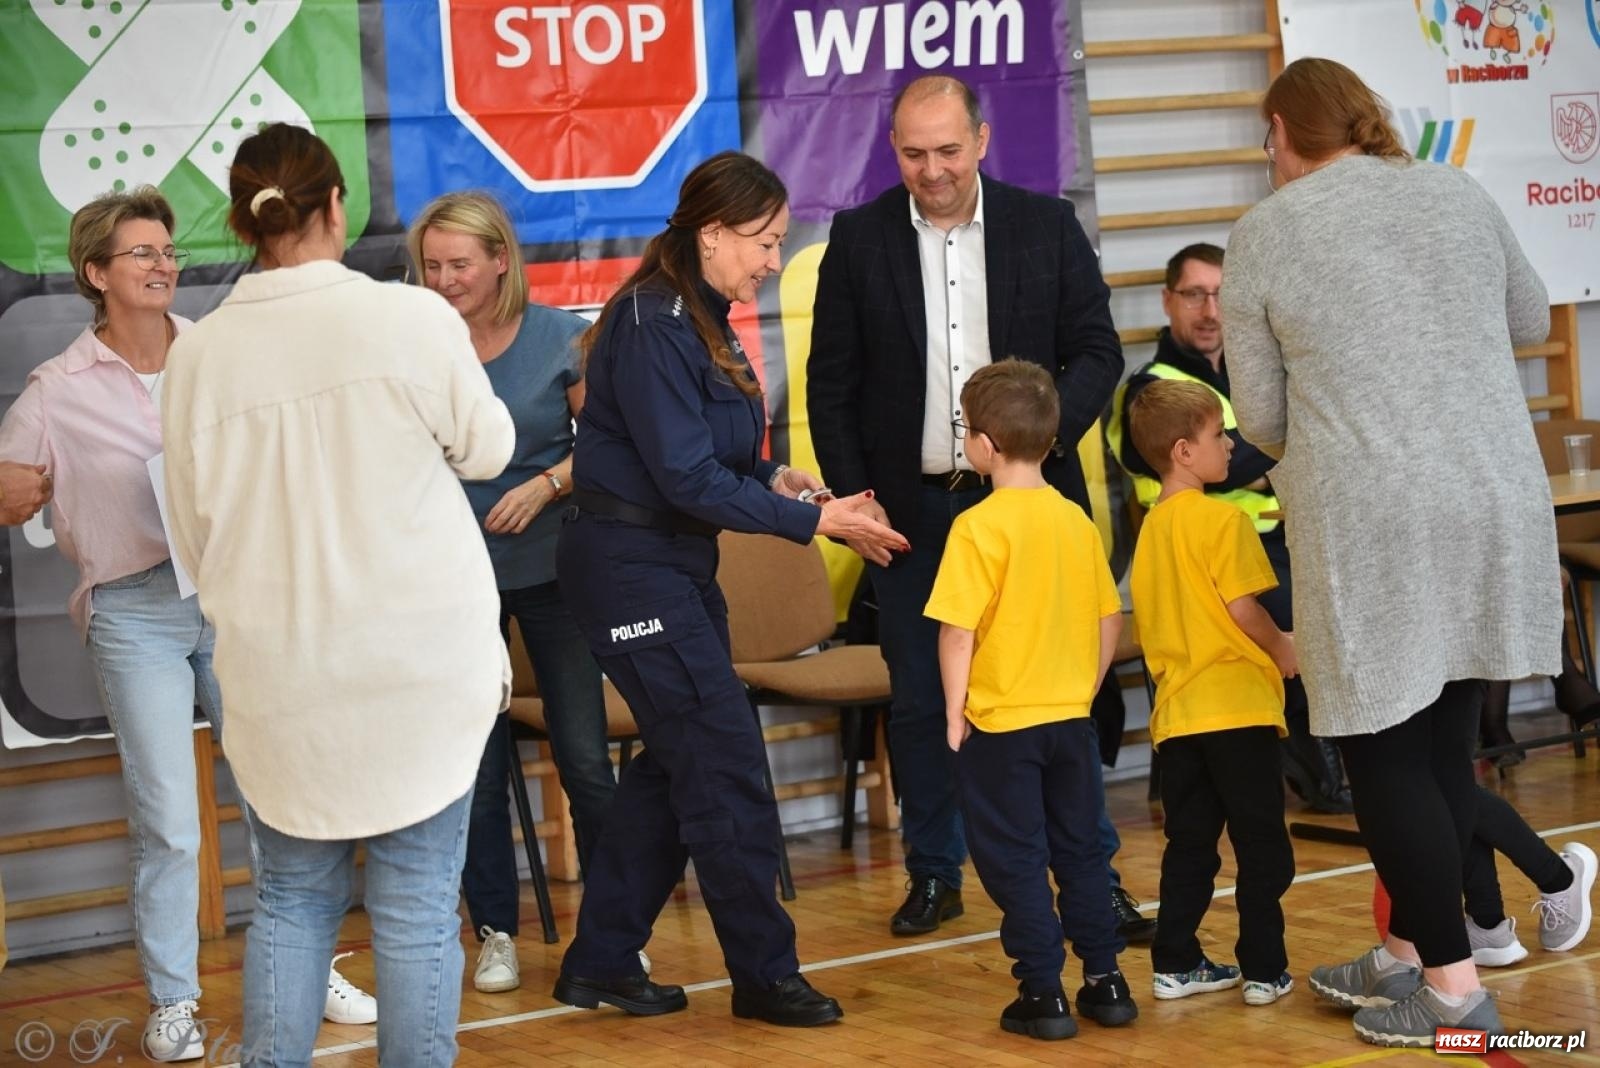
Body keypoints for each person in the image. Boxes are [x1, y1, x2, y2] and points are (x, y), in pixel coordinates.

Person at [1223, 58, 1560, 1047]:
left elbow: (1262, 414)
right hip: (1492, 494)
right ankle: (1411, 950)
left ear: (1281, 130)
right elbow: (1532, 320)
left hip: (1376, 518)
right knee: (1444, 745)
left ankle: (1451, 994)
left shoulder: (1266, 234)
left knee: (1382, 756)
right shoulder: (1455, 190)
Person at [162, 124, 514, 1066]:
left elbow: (194, 540)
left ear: (243, 219)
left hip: (279, 677)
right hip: (417, 671)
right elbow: (487, 450)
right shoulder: (410, 319)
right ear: (334, 208)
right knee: (414, 910)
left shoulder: (196, 357)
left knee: (289, 902)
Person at [0, 186, 373, 1060]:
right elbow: (10, 484)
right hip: (133, 613)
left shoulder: (221, 355)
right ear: (96, 274)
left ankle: (306, 964)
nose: (162, 264)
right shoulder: (55, 390)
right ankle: (175, 1002)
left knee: (279, 793)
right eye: (140, 254)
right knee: (169, 817)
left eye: (167, 251)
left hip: (235, 597)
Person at [550, 150, 906, 1028]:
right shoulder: (650, 321)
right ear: (710, 234)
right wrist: (816, 527)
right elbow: (682, 478)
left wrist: (791, 483)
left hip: (672, 566)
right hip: (631, 570)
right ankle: (764, 975)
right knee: (725, 766)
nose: (772, 262)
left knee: (680, 764)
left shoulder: (696, 314)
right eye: (762, 242)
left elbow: (721, 459)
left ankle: (599, 961)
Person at [808, 73, 1143, 941]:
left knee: (1060, 701)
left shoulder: (1045, 225)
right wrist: (857, 500)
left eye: (949, 151)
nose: (933, 170)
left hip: (1032, 507)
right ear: (895, 152)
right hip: (912, 514)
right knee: (922, 702)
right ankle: (933, 872)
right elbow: (830, 384)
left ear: (983, 142)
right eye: (914, 154)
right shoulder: (858, 235)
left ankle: (1093, 879)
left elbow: (1098, 350)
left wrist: (1036, 439)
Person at [409, 191, 617, 995]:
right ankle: (496, 929)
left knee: (585, 759)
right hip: (453, 592)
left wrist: (548, 485)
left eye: (460, 263)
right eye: (432, 266)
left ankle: (612, 927)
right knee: (475, 770)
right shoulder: (417, 344)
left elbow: (605, 448)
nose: (446, 279)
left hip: (555, 575)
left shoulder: (563, 337)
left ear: (502, 259)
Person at [924, 360, 1138, 1041]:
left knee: (1014, 858)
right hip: (1068, 719)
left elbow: (958, 633)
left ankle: (1042, 993)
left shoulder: (977, 527)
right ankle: (1105, 981)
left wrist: (955, 712)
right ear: (1050, 442)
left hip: (1001, 725)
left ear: (981, 444)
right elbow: (1110, 620)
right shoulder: (1074, 519)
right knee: (1080, 851)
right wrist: (1085, 685)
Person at [1107, 242, 1350, 814]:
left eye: (1220, 294)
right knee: (1295, 614)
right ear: (1169, 300)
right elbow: (1240, 461)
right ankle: (1324, 777)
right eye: (1194, 294)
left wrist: (1263, 462)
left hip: (1279, 538)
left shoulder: (1251, 371)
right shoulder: (1151, 389)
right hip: (1205, 560)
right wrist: (1282, 448)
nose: (1210, 310)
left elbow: (1250, 459)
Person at [1126, 379, 1298, 1008]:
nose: (1229, 444)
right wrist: (1282, 646)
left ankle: (1174, 961)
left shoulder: (1150, 532)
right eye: (1217, 435)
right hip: (1239, 707)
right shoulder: (1223, 519)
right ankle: (1264, 968)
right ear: (1183, 452)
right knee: (1261, 846)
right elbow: (1241, 606)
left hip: (1178, 716)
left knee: (1191, 845)